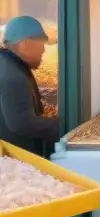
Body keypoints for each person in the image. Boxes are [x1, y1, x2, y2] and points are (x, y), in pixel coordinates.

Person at [0, 15, 60, 156]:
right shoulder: (12, 75)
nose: (43, 51)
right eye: (41, 44)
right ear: (26, 43)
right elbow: (21, 123)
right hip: (17, 162)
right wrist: (62, 125)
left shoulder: (8, 65)